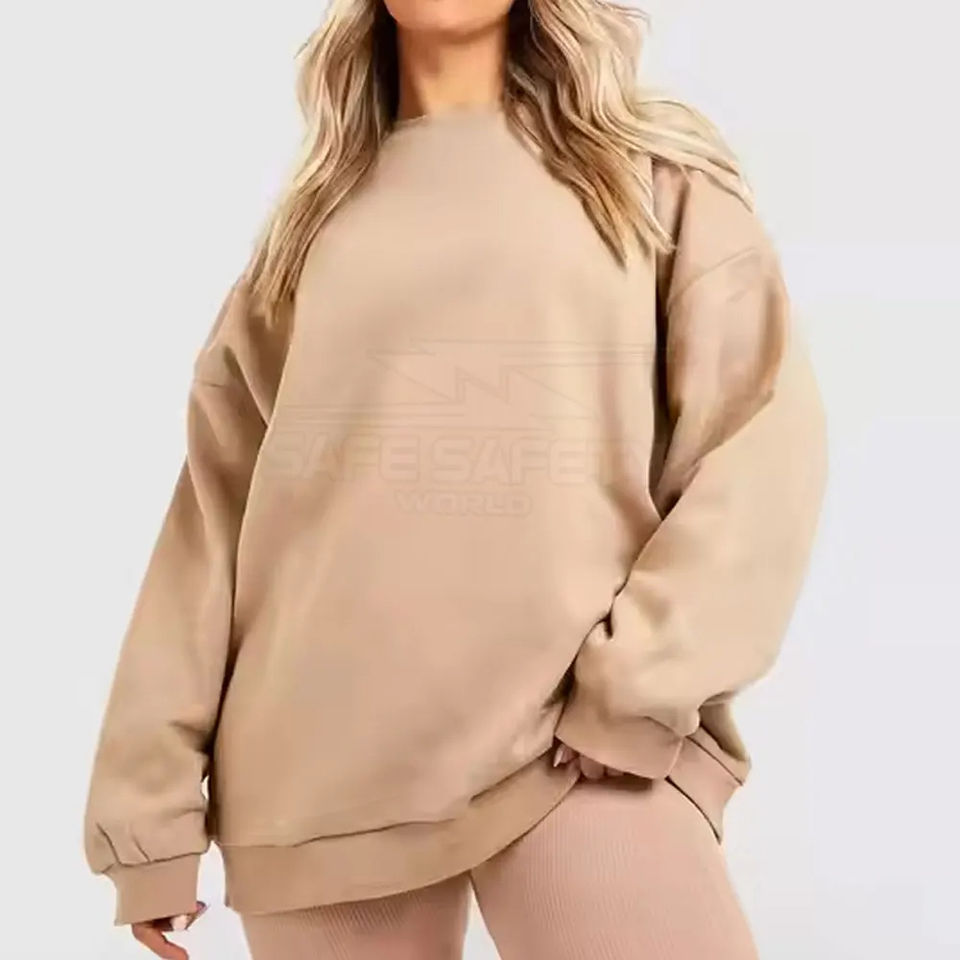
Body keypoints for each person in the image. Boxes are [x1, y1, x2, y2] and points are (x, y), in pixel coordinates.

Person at [82, 0, 828, 957]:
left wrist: (640, 683)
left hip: (572, 742)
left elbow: (757, 440)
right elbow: (211, 525)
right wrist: (146, 813)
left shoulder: (646, 175)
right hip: (315, 782)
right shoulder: (308, 232)